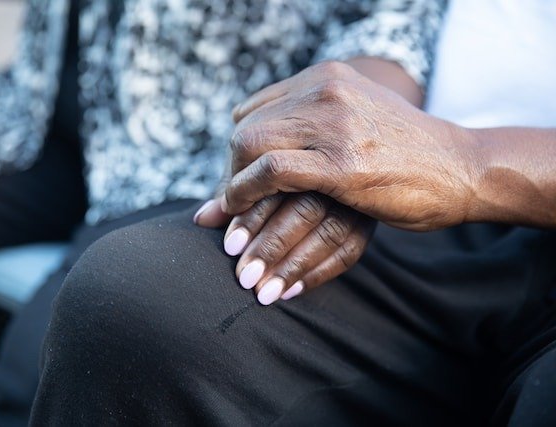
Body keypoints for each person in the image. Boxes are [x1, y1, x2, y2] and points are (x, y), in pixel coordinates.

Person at [0, 0, 446, 425]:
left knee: (45, 368)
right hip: (52, 105)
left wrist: (337, 139)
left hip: (223, 151)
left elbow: (392, 23)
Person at [29, 0, 556, 425]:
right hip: (417, 203)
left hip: (493, 184)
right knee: (135, 297)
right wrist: (350, 136)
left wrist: (468, 163)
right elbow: (394, 21)